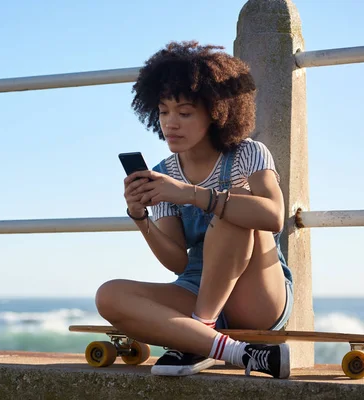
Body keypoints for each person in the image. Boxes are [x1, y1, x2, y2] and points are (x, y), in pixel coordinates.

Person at [95, 41, 294, 379]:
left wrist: (191, 194)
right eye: (163, 111)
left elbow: (273, 217)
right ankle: (232, 351)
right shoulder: (164, 171)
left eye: (184, 113)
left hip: (254, 293)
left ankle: (198, 333)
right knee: (109, 295)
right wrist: (140, 217)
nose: (170, 123)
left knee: (233, 210)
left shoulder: (248, 153)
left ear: (216, 112)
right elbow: (179, 262)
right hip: (195, 284)